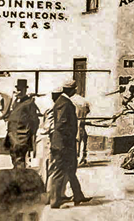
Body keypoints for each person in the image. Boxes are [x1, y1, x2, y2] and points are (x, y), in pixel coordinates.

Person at [49, 80, 91, 209]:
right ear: (72, 90)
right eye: (74, 89)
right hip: (64, 144)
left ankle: (78, 195)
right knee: (60, 171)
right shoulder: (65, 103)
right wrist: (69, 139)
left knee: (71, 169)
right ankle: (55, 201)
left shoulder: (61, 101)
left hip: (63, 143)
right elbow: (62, 125)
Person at [5, 79, 40, 168]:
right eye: (18, 89)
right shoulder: (16, 102)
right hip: (12, 136)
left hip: (21, 137)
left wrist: (29, 134)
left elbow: (34, 121)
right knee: (14, 159)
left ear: (25, 90)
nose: (19, 92)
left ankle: (20, 175)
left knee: (19, 160)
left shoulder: (29, 103)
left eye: (21, 90)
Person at [36, 88, 61, 188]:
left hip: (41, 137)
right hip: (46, 139)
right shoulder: (52, 108)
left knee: (43, 165)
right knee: (47, 165)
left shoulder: (45, 105)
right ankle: (46, 189)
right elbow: (48, 127)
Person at [70, 90, 91, 166]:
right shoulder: (83, 100)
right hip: (82, 122)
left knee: (75, 140)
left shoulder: (70, 100)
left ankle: (76, 158)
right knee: (82, 139)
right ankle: (82, 157)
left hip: (73, 123)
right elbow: (88, 110)